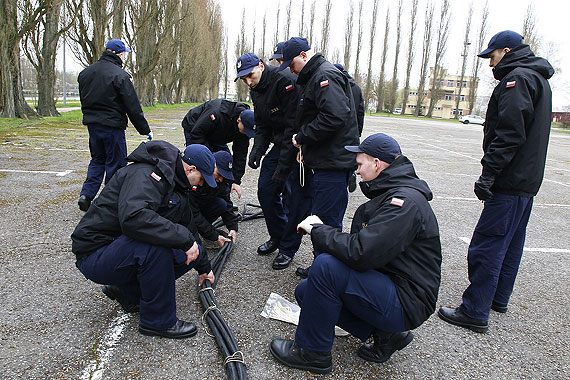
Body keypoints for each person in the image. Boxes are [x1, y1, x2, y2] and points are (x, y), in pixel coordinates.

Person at [270, 133, 442, 374]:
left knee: (326, 267)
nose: (357, 171)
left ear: (377, 164)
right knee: (306, 292)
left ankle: (312, 353)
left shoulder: (404, 203)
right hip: (394, 287)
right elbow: (367, 249)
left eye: (360, 164)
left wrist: (318, 231)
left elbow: (362, 252)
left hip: (407, 300)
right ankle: (385, 334)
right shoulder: (393, 194)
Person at [438, 30, 554, 333]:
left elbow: (509, 133)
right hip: (526, 182)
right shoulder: (538, 78)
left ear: (507, 50)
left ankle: (475, 310)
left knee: (487, 244)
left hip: (509, 179)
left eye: (492, 56)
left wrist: (489, 172)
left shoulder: (517, 80)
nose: (490, 64)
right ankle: (498, 298)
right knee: (512, 241)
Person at [71, 141, 216, 339]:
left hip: (118, 249)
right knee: (156, 246)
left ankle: (128, 291)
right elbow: (134, 218)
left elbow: (188, 229)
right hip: (95, 253)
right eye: (201, 180)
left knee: (185, 252)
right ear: (191, 169)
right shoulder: (146, 173)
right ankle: (158, 322)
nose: (200, 186)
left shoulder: (175, 184)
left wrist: (204, 267)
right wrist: (183, 239)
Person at [279, 37, 360, 278]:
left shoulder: (325, 75)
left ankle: (328, 274)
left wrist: (303, 137)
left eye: (292, 64)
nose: (291, 70)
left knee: (326, 222)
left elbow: (335, 116)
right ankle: (323, 267)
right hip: (326, 160)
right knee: (322, 218)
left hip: (333, 165)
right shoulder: (316, 76)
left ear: (304, 55)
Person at [236, 52, 309, 270]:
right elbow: (262, 123)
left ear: (260, 66)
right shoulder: (255, 89)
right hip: (280, 144)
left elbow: (292, 126)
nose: (248, 82)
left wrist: (284, 166)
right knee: (266, 190)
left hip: (298, 145)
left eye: (250, 75)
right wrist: (257, 151)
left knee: (293, 198)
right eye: (244, 79)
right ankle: (277, 236)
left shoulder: (285, 81)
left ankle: (288, 248)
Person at [77, 39, 152, 212]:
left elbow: (85, 100)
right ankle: (109, 201)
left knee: (97, 160)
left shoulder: (85, 73)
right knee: (116, 163)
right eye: (124, 53)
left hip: (93, 125)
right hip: (112, 126)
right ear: (119, 53)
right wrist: (144, 129)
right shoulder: (120, 75)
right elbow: (132, 106)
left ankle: (86, 195)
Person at [181, 99, 254, 199]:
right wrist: (209, 161)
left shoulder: (246, 125)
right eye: (246, 130)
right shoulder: (216, 112)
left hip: (217, 135)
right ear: (239, 120)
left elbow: (240, 154)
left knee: (225, 165)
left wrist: (236, 181)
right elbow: (197, 134)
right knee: (204, 165)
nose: (246, 133)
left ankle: (222, 198)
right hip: (195, 128)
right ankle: (196, 196)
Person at [191, 151, 239, 246]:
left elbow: (227, 202)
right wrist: (213, 235)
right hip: (188, 211)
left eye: (224, 176)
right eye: (219, 174)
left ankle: (200, 229)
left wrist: (232, 228)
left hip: (199, 208)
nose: (221, 179)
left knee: (221, 204)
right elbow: (193, 211)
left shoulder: (221, 182)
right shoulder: (194, 179)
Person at [334, 63, 365, 193]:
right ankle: (350, 173)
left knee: (338, 156)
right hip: (353, 131)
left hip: (340, 130)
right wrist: (358, 131)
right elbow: (360, 112)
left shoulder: (337, 85)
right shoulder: (356, 87)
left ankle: (346, 175)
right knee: (349, 156)